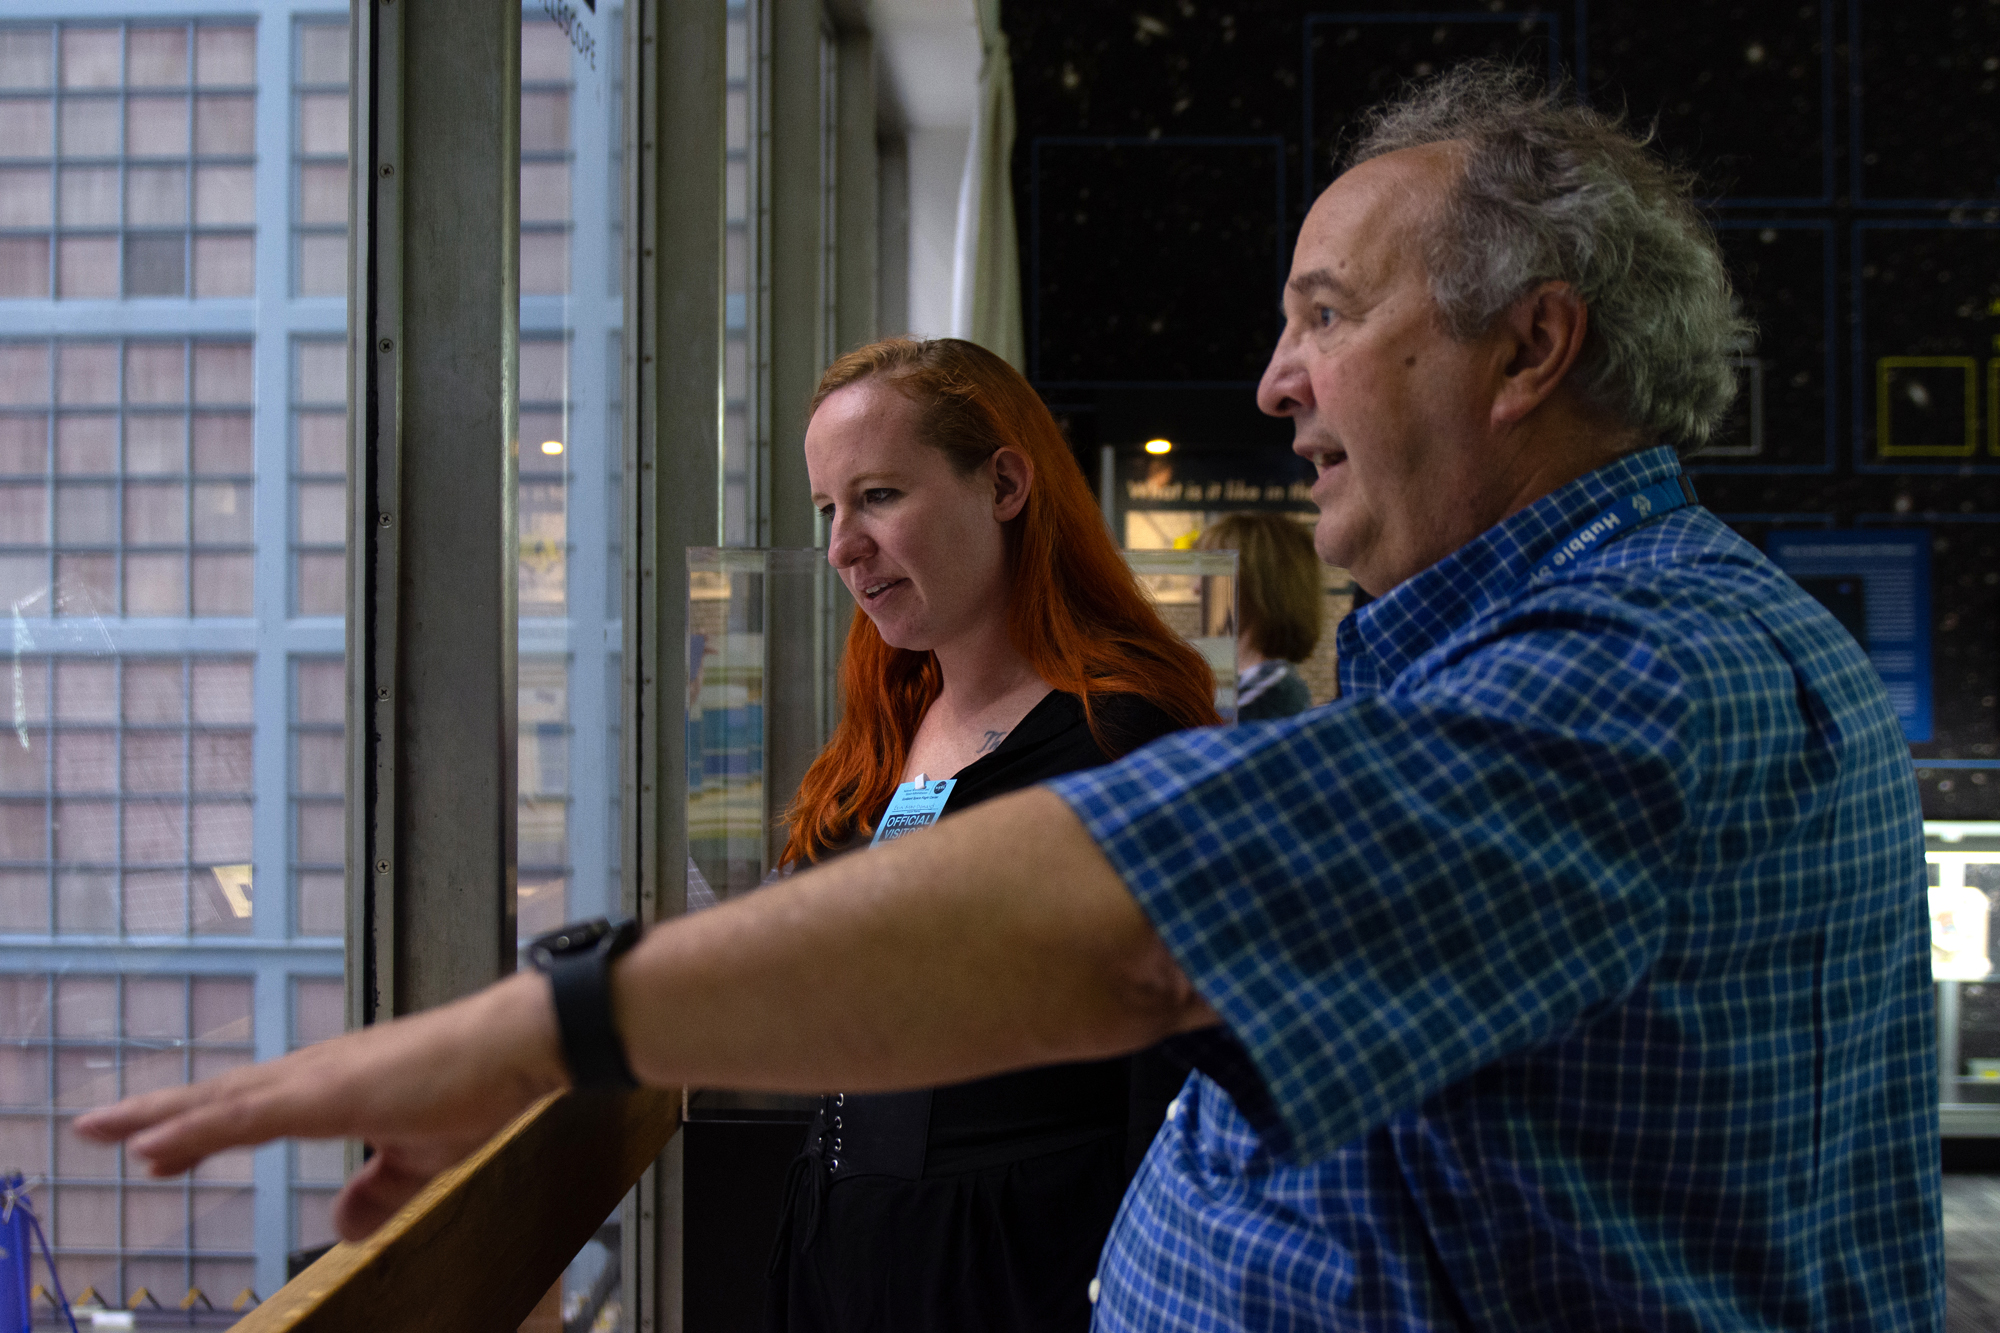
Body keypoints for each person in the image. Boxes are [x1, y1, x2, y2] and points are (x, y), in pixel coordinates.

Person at [74, 64, 1942, 1331]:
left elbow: (1125, 930)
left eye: (1325, 311)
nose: (1274, 376)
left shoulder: (1641, 677)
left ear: (1534, 345)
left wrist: (559, 1024)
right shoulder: (1588, 652)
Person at [767, 336, 1219, 1332]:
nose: (843, 545)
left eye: (878, 495)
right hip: (842, 1242)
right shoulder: (879, 730)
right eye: (827, 510)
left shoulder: (1120, 738)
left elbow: (1173, 1081)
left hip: (1018, 1266)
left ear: (1003, 483)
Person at [1194, 512, 1322, 719]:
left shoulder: (1274, 694)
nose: (1197, 588)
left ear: (1257, 584)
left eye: (1214, 571)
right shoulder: (1237, 684)